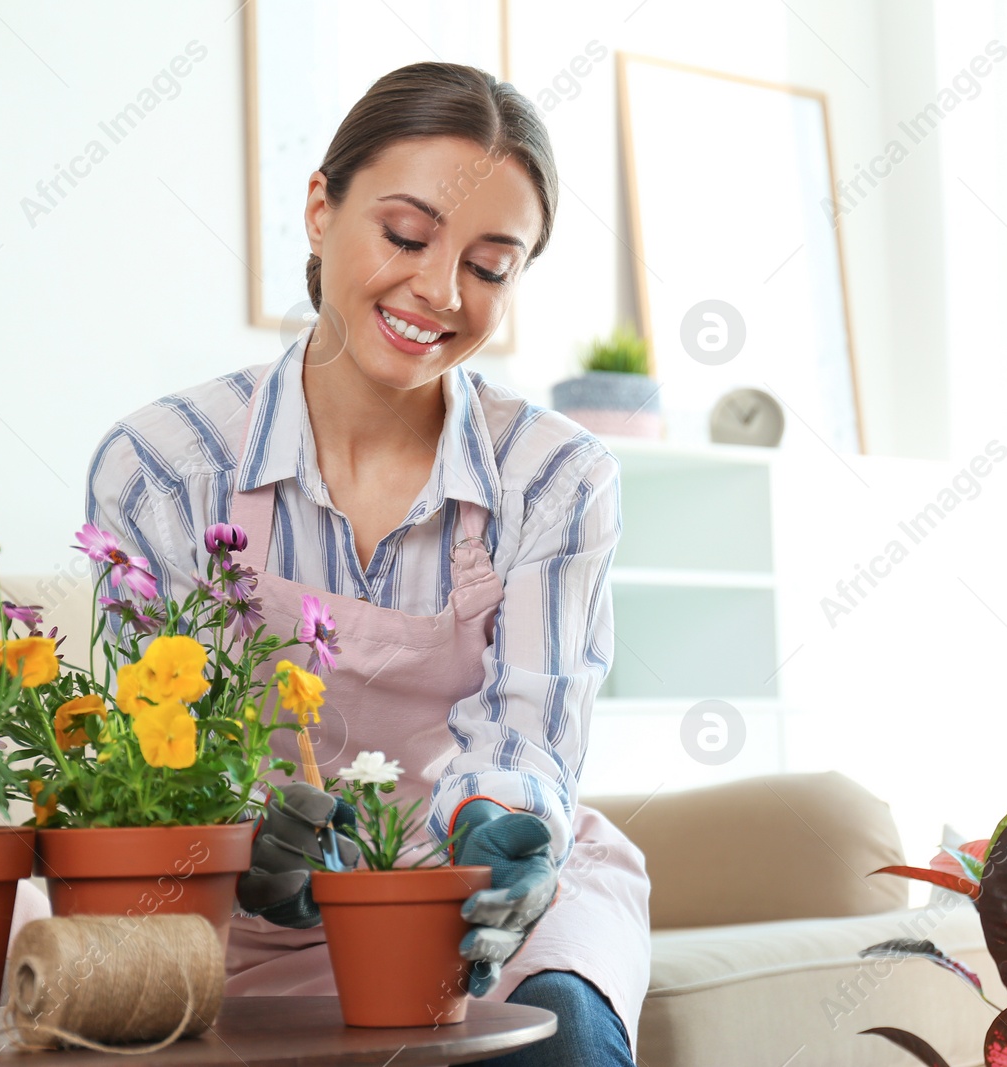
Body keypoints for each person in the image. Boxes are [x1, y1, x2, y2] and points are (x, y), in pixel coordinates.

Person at [87, 61, 649, 1065]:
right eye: (406, 233)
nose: (439, 290)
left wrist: (497, 826)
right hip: (235, 920)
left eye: (490, 265)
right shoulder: (164, 468)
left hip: (476, 915)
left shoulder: (556, 476)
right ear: (319, 208)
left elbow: (529, 729)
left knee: (556, 1045)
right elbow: (156, 747)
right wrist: (240, 838)